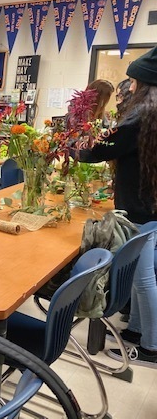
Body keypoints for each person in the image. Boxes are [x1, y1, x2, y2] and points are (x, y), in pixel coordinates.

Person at [79, 46, 157, 367]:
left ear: (144, 85)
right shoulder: (150, 117)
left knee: (144, 279)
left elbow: (97, 151)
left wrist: (75, 147)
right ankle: (137, 330)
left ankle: (152, 346)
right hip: (149, 207)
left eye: (134, 82)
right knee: (142, 275)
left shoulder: (138, 119)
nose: (130, 87)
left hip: (138, 209)